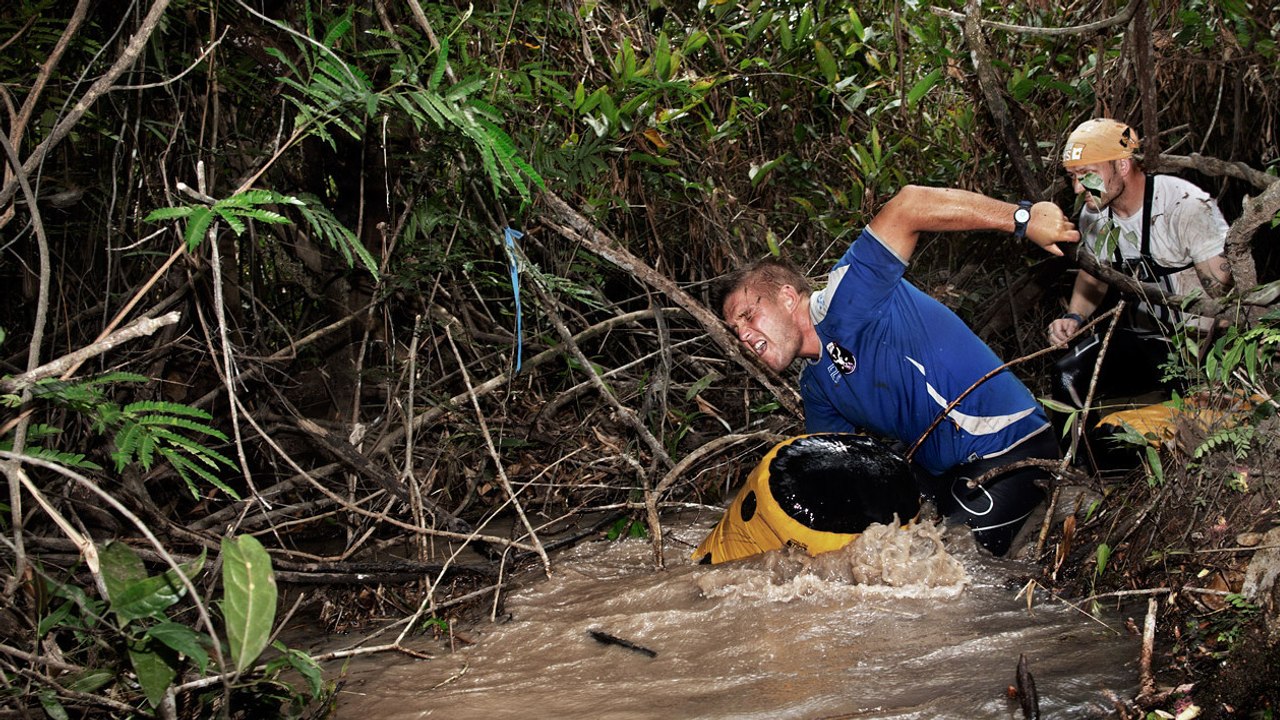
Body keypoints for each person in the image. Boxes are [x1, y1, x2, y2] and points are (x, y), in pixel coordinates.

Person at [718, 185, 1080, 555]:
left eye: (748, 315)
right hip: (937, 469)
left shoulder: (848, 297)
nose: (744, 335)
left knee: (955, 571)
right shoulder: (816, 387)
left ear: (788, 297)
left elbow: (909, 205)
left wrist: (1022, 218)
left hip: (1010, 444)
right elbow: (837, 472)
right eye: (736, 330)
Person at [1049, 118, 1233, 407]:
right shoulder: (1094, 213)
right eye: (1073, 176)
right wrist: (1073, 317)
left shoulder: (1184, 205)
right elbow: (1094, 275)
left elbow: (1225, 293)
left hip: (1202, 348)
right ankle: (1079, 453)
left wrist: (1230, 362)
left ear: (1122, 165)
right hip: (1148, 341)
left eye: (1087, 174)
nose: (1077, 188)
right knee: (1067, 377)